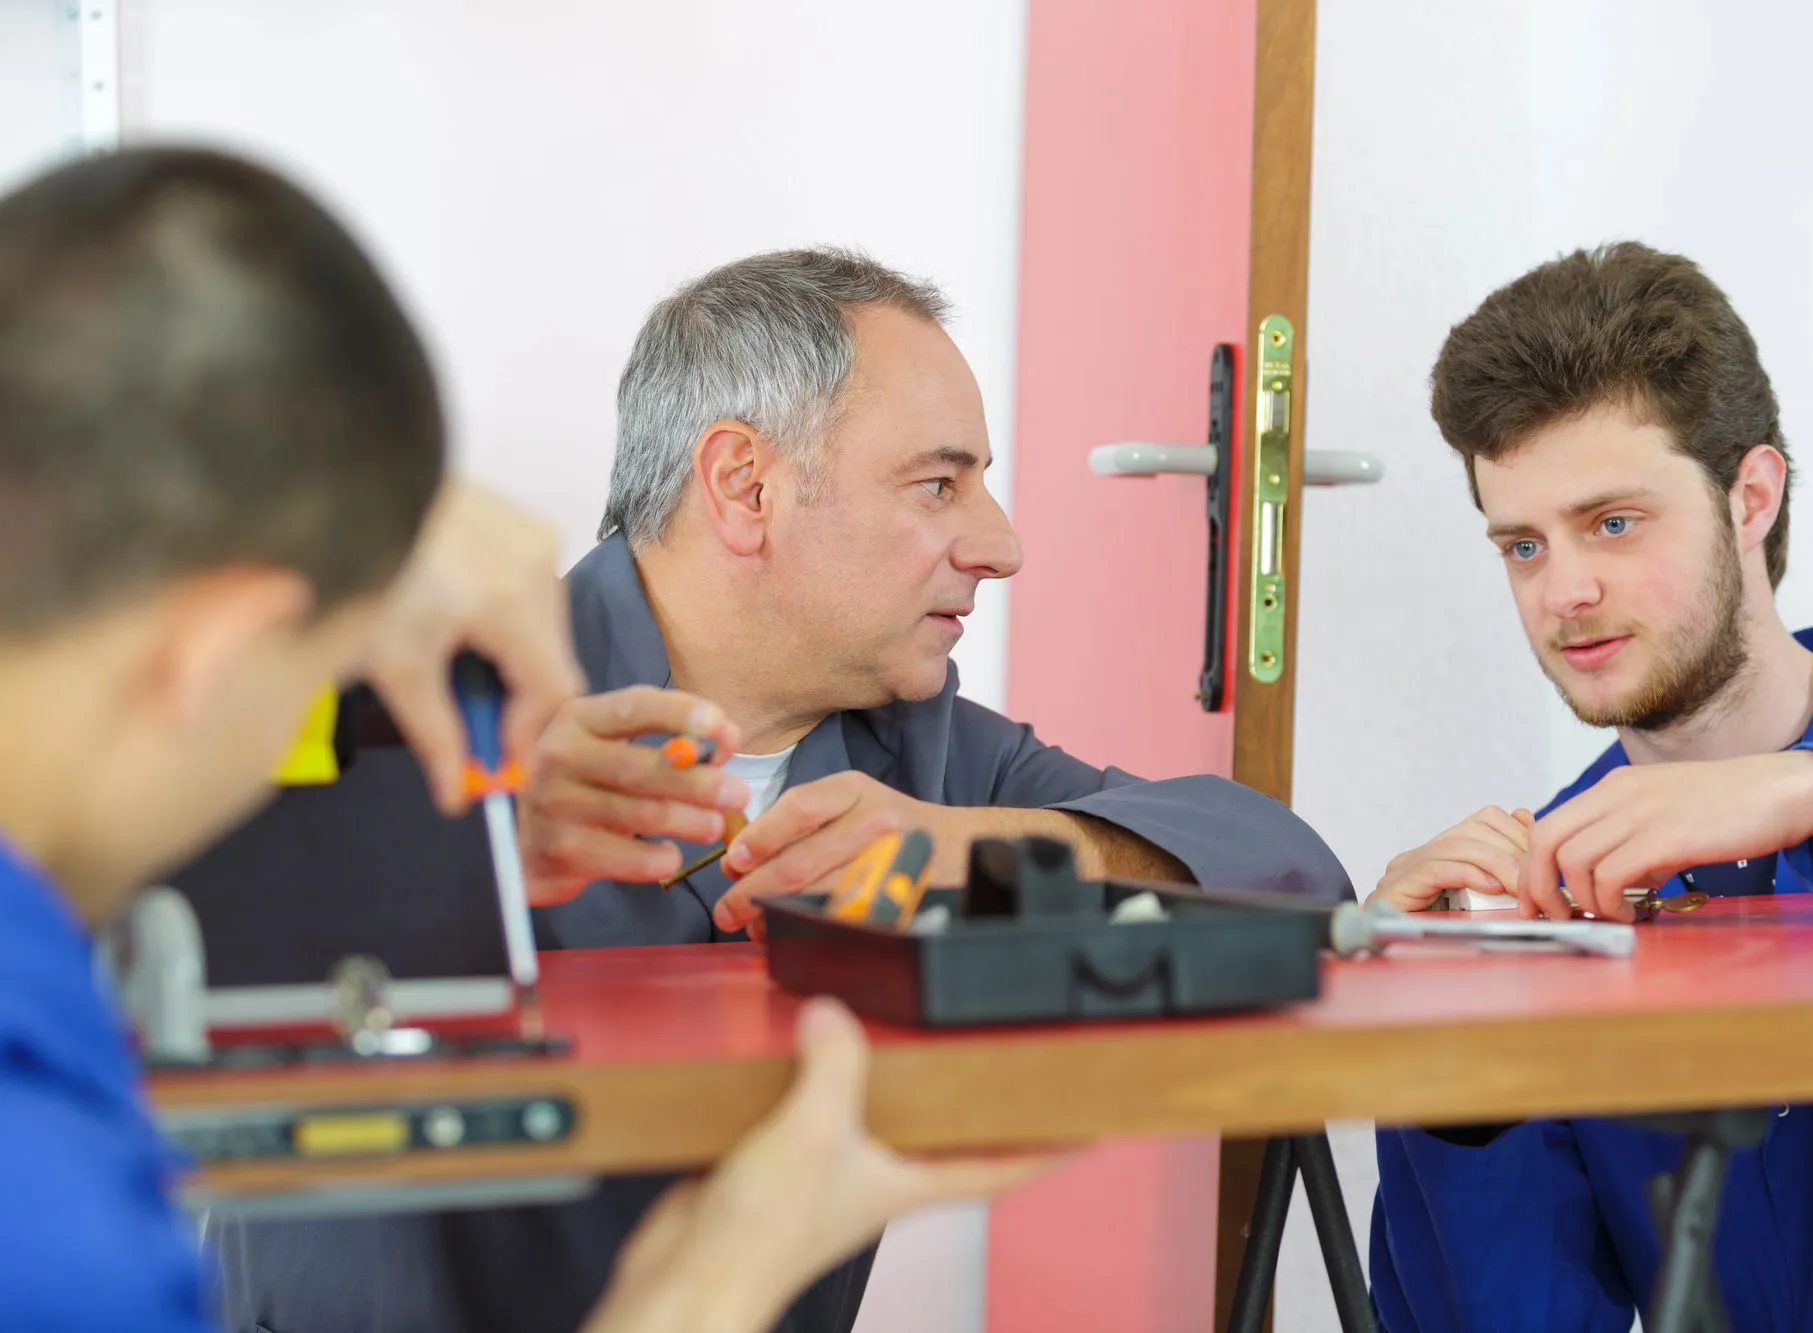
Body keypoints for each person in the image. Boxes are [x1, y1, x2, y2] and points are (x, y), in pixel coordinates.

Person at [0, 145, 1045, 1333]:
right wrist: (712, 1285)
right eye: (325, 695)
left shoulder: (925, 746)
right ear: (219, 654)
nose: (996, 546)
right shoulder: (59, 1235)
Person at [222, 248, 1352, 1333]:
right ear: (744, 485)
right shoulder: (433, 687)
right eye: (937, 484)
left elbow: (1285, 863)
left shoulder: (926, 757)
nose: (998, 545)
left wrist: (982, 847)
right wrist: (472, 838)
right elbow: (184, 921)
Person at [1368, 243, 1813, 1330]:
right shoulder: (1549, 892)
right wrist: (1439, 1038)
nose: (1563, 591)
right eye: (1521, 545)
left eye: (1612, 522)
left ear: (1749, 495)